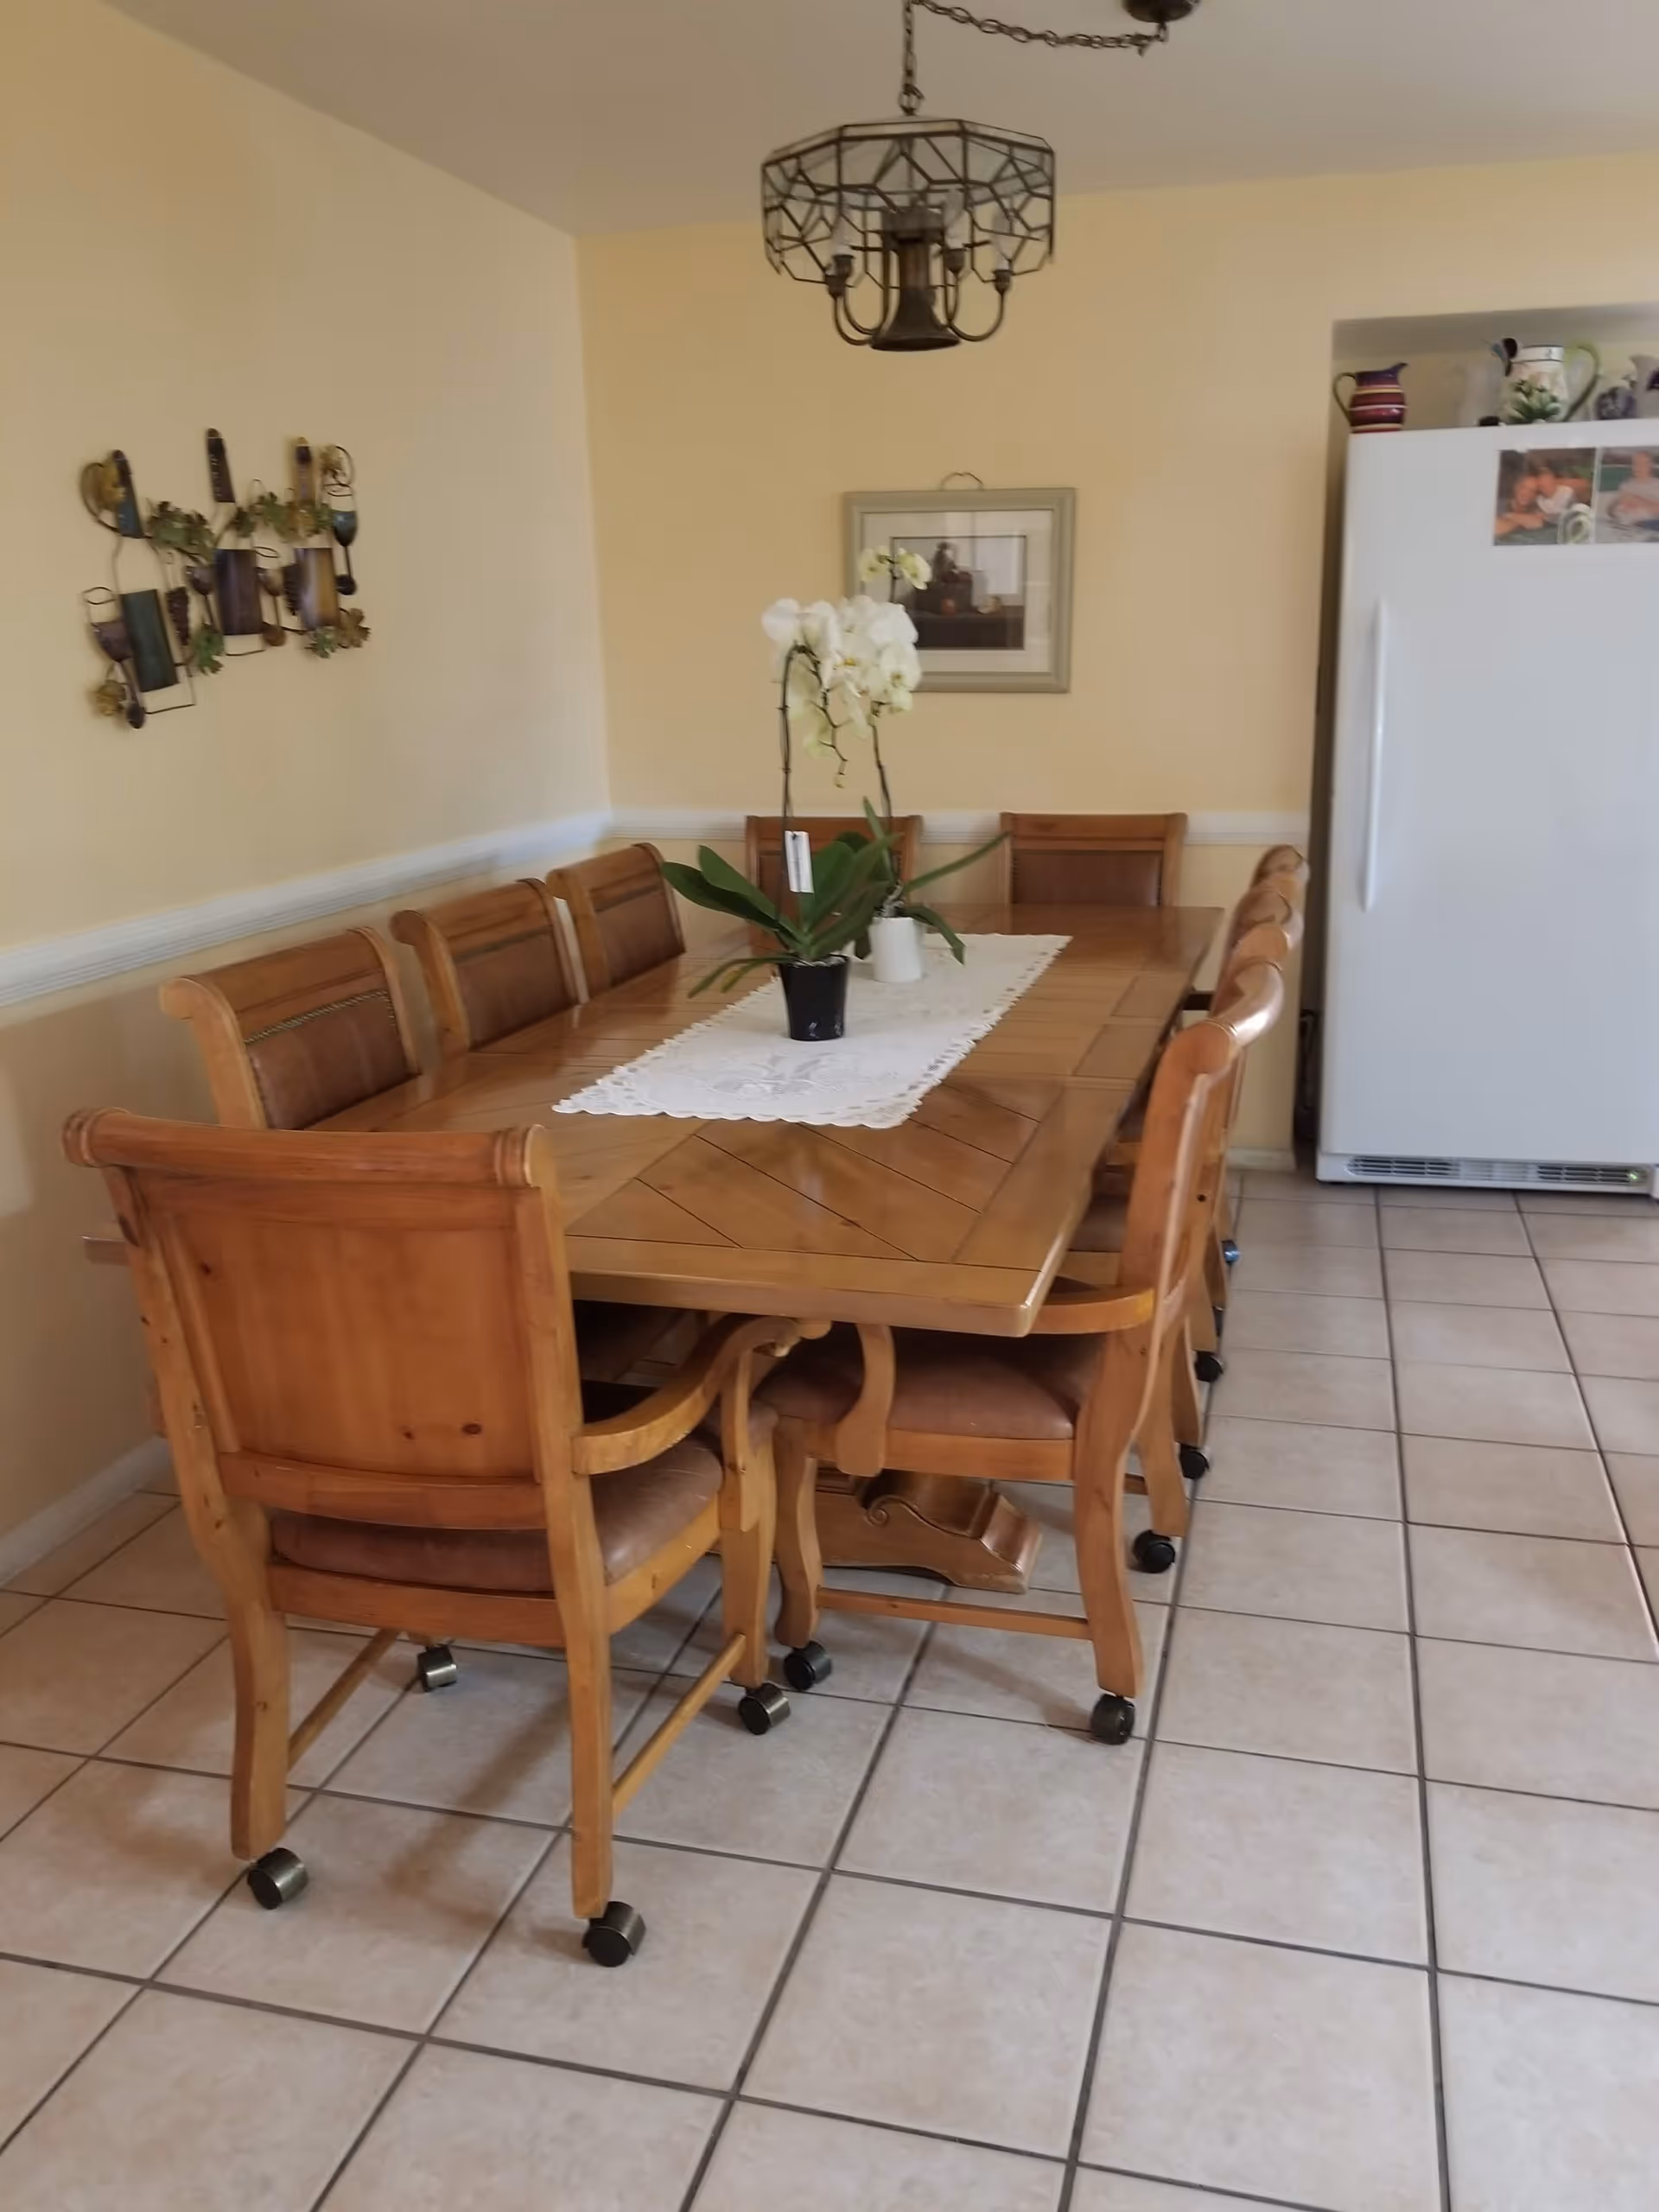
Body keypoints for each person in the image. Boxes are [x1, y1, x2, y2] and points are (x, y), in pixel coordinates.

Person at [1605, 447, 1659, 530]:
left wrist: (1636, 500)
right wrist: (1618, 504)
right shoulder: (1626, 485)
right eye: (1636, 463)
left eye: (1643, 463)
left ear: (1650, 465)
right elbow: (1610, 510)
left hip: (1650, 525)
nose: (1639, 467)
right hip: (1626, 524)